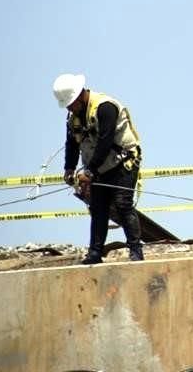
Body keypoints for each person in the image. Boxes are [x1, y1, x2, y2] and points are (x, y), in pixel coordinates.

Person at [52, 73, 144, 264]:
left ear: (79, 96)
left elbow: (105, 141)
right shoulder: (74, 117)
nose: (69, 108)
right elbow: (72, 143)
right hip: (100, 167)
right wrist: (69, 168)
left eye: (70, 103)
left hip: (123, 162)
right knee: (98, 207)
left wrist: (89, 171)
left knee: (122, 203)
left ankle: (136, 250)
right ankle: (95, 253)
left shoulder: (105, 107)